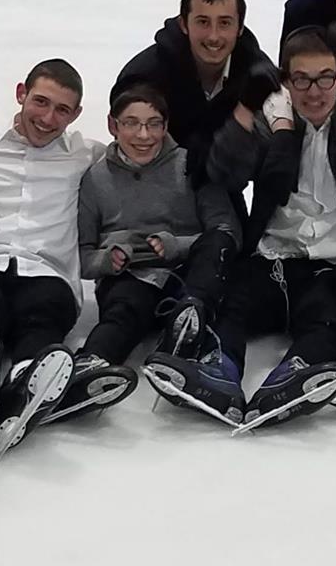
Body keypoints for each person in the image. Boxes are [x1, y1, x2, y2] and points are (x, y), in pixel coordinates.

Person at [143, 23, 336, 430]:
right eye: (302, 79)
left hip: (332, 265)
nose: (314, 91)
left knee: (326, 320)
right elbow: (225, 170)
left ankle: (297, 371)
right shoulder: (273, 125)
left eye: (325, 77)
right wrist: (246, 106)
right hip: (271, 258)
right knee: (233, 306)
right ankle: (219, 369)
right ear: (286, 81)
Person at [0, 60, 95, 463]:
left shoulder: (85, 154)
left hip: (48, 271)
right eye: (40, 102)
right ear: (20, 94)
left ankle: (26, 381)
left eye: (62, 110)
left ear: (76, 114)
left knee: (42, 314)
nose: (48, 118)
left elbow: (140, 153)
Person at [74, 82, 239, 417]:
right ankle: (91, 365)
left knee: (217, 263)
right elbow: (82, 254)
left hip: (188, 277)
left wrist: (177, 245)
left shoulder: (192, 165)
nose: (144, 135)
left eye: (153, 124)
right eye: (132, 123)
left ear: (166, 126)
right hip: (131, 277)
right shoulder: (95, 179)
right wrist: (107, 259)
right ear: (113, 125)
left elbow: (227, 230)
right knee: (124, 309)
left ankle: (194, 336)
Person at [111, 0, 272, 190]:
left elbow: (257, 159)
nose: (213, 36)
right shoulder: (144, 76)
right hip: (154, 191)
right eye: (203, 22)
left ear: (240, 28)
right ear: (184, 24)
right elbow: (128, 151)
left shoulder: (257, 76)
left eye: (224, 23)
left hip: (223, 191)